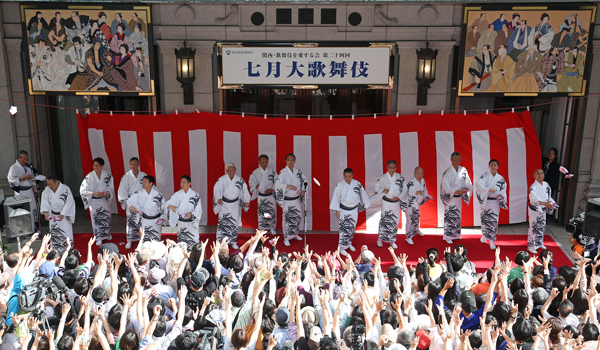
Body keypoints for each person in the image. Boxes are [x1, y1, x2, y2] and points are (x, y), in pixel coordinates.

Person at [329, 168, 371, 256]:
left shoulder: (357, 184)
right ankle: (342, 247)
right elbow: (336, 198)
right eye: (346, 177)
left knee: (351, 228)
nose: (348, 178)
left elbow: (362, 195)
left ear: (352, 176)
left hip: (354, 209)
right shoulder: (340, 185)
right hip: (343, 210)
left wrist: (361, 206)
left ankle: (349, 244)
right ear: (343, 176)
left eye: (350, 176)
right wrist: (337, 210)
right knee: (344, 229)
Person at [213, 163, 251, 249]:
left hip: (235, 204)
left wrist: (247, 200)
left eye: (233, 170)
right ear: (227, 171)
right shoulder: (221, 180)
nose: (232, 172)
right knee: (223, 222)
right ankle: (221, 242)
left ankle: (233, 241)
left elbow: (245, 190)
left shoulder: (239, 180)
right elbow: (216, 189)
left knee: (234, 222)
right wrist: (218, 198)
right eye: (230, 170)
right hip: (224, 204)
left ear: (235, 171)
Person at [372, 160, 408, 249]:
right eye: (390, 168)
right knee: (385, 220)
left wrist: (399, 197)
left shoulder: (400, 177)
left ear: (396, 168)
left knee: (394, 221)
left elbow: (404, 189)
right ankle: (380, 239)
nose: (392, 169)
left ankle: (392, 241)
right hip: (386, 202)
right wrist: (383, 190)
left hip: (396, 202)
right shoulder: (383, 178)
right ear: (387, 167)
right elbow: (376, 188)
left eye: (394, 168)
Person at [80, 157, 114, 246]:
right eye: (94, 165)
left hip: (103, 200)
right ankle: (98, 237)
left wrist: (107, 192)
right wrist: (94, 193)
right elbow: (82, 190)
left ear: (102, 166)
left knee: (106, 217)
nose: (95, 167)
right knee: (96, 219)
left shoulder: (107, 175)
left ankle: (107, 234)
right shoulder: (89, 176)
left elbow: (111, 187)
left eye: (97, 165)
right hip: (94, 201)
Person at [275, 153, 308, 247]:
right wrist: (288, 186)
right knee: (287, 218)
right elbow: (277, 184)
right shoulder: (283, 172)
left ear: (295, 161)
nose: (290, 161)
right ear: (286, 161)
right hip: (287, 200)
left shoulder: (298, 172)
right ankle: (286, 237)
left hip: (296, 199)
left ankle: (295, 234)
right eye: (288, 159)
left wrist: (303, 191)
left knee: (297, 216)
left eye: (292, 160)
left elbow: (304, 181)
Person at [440, 152, 472, 244]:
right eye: (455, 160)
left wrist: (466, 189)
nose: (457, 161)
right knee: (450, 216)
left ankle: (456, 235)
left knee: (457, 216)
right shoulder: (447, 172)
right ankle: (447, 236)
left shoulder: (463, 170)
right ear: (451, 160)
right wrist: (454, 191)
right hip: (451, 198)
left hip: (459, 197)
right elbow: (444, 186)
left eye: (459, 160)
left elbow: (468, 183)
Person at [475, 159, 508, 249]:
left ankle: (492, 241)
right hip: (486, 201)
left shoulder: (501, 179)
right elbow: (479, 185)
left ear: (497, 167)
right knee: (484, 219)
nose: (493, 167)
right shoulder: (484, 176)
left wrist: (501, 195)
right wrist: (488, 189)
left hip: (495, 203)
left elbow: (503, 189)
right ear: (489, 166)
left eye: (495, 165)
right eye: (491, 165)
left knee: (493, 221)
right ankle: (484, 236)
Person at [7, 150, 43, 231]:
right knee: (22, 210)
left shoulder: (28, 167)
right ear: (18, 158)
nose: (25, 161)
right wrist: (24, 178)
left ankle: (35, 228)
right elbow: (11, 180)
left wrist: (35, 179)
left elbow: (32, 177)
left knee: (33, 208)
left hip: (29, 191)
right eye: (23, 159)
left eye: (26, 159)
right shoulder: (13, 168)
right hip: (20, 192)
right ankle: (25, 229)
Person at [166, 175, 203, 251]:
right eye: (181, 182)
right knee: (182, 243)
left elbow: (199, 210)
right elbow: (167, 203)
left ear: (189, 183)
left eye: (184, 182)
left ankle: (194, 255)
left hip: (191, 223)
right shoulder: (177, 194)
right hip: (181, 223)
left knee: (193, 242)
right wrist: (170, 206)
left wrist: (191, 214)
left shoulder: (195, 196)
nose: (181, 184)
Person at [41, 175, 76, 254]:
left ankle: (68, 249)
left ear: (56, 182)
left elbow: (70, 202)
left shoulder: (65, 189)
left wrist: (63, 213)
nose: (49, 186)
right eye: (48, 184)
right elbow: (44, 201)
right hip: (53, 215)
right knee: (55, 233)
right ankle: (56, 251)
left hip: (64, 215)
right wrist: (46, 212)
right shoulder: (47, 190)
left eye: (51, 184)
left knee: (66, 232)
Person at [117, 157, 147, 249]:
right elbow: (123, 191)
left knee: (142, 221)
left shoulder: (143, 175)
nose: (132, 166)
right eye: (131, 164)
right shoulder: (126, 177)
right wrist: (129, 204)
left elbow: (148, 188)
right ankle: (129, 240)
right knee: (131, 221)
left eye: (134, 164)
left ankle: (142, 239)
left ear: (138, 165)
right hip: (131, 201)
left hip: (142, 201)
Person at [127, 175, 165, 244]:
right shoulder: (139, 193)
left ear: (151, 184)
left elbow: (164, 207)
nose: (143, 183)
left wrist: (162, 217)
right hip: (144, 220)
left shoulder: (158, 195)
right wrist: (132, 207)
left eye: (145, 182)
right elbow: (129, 200)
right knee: (145, 240)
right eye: (143, 182)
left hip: (155, 221)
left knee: (156, 241)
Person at [528, 169, 556, 254]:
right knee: (534, 227)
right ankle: (531, 246)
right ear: (534, 176)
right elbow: (533, 199)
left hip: (543, 209)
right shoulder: (533, 187)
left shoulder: (546, 185)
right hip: (535, 209)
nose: (540, 175)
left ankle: (539, 243)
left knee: (542, 227)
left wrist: (552, 203)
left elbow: (548, 197)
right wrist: (545, 203)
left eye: (541, 173)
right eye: (538, 173)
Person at [249, 155, 278, 235]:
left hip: (270, 195)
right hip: (261, 195)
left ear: (268, 162)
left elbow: (277, 181)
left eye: (266, 162)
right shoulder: (255, 172)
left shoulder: (272, 171)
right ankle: (262, 228)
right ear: (259, 162)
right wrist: (257, 186)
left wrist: (272, 189)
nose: (264, 164)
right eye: (262, 162)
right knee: (262, 212)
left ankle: (271, 227)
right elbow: (251, 182)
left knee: (271, 211)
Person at [404, 167, 430, 245]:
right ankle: (408, 237)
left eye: (421, 173)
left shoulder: (423, 180)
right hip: (409, 203)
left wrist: (426, 195)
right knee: (409, 220)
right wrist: (417, 192)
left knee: (417, 216)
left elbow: (424, 189)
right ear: (414, 173)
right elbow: (410, 192)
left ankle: (416, 229)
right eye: (418, 173)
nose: (420, 175)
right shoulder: (412, 182)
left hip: (416, 203)